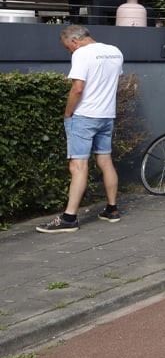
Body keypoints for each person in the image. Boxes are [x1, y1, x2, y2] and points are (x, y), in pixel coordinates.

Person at [38, 25, 125, 233]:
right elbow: (114, 81)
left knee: (78, 166)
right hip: (106, 115)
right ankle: (112, 210)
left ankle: (69, 218)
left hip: (85, 116)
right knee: (105, 160)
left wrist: (68, 114)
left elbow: (77, 88)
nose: (69, 51)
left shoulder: (82, 54)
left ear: (75, 41)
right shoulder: (115, 51)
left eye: (68, 48)